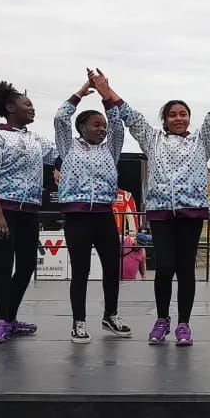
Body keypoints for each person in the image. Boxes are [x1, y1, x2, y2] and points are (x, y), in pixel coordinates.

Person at [115, 62, 210, 346]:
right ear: (165, 119)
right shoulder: (152, 139)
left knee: (185, 268)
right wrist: (107, 91)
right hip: (161, 213)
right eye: (172, 115)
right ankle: (162, 319)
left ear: (189, 118)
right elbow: (131, 116)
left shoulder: (202, 141)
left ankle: (184, 324)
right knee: (165, 266)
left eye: (183, 114)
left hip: (191, 213)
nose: (179, 118)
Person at [54, 72, 130, 343]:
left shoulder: (110, 149)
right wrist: (83, 90)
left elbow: (119, 126)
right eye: (96, 125)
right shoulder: (67, 147)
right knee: (81, 270)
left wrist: (106, 94)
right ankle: (79, 322)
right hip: (77, 218)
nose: (102, 129)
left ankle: (111, 315)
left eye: (103, 126)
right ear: (82, 128)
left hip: (104, 216)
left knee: (112, 267)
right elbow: (60, 119)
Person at [0, 80, 58, 345]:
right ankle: (0, 321)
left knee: (26, 266)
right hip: (5, 210)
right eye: (28, 104)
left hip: (30, 211)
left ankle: (10, 319)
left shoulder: (36, 138)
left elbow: (58, 155)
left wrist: (60, 166)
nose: (32, 108)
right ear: (10, 107)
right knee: (3, 265)